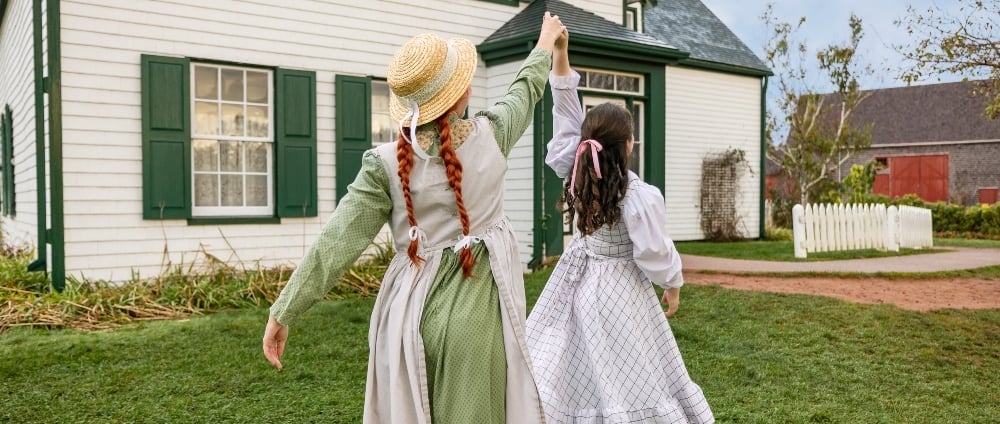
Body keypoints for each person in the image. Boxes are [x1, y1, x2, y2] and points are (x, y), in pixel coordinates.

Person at [262, 13, 567, 424]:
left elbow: (336, 241)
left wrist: (284, 310)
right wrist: (546, 41)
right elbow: (525, 88)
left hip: (406, 320)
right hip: (476, 319)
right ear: (461, 96)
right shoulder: (494, 134)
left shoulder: (383, 164)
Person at [524, 28, 715, 424]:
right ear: (628, 145)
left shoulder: (572, 173)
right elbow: (654, 252)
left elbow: (565, 113)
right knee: (627, 366)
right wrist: (673, 284)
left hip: (577, 283)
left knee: (578, 363)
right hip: (620, 291)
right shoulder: (636, 196)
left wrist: (561, 54)